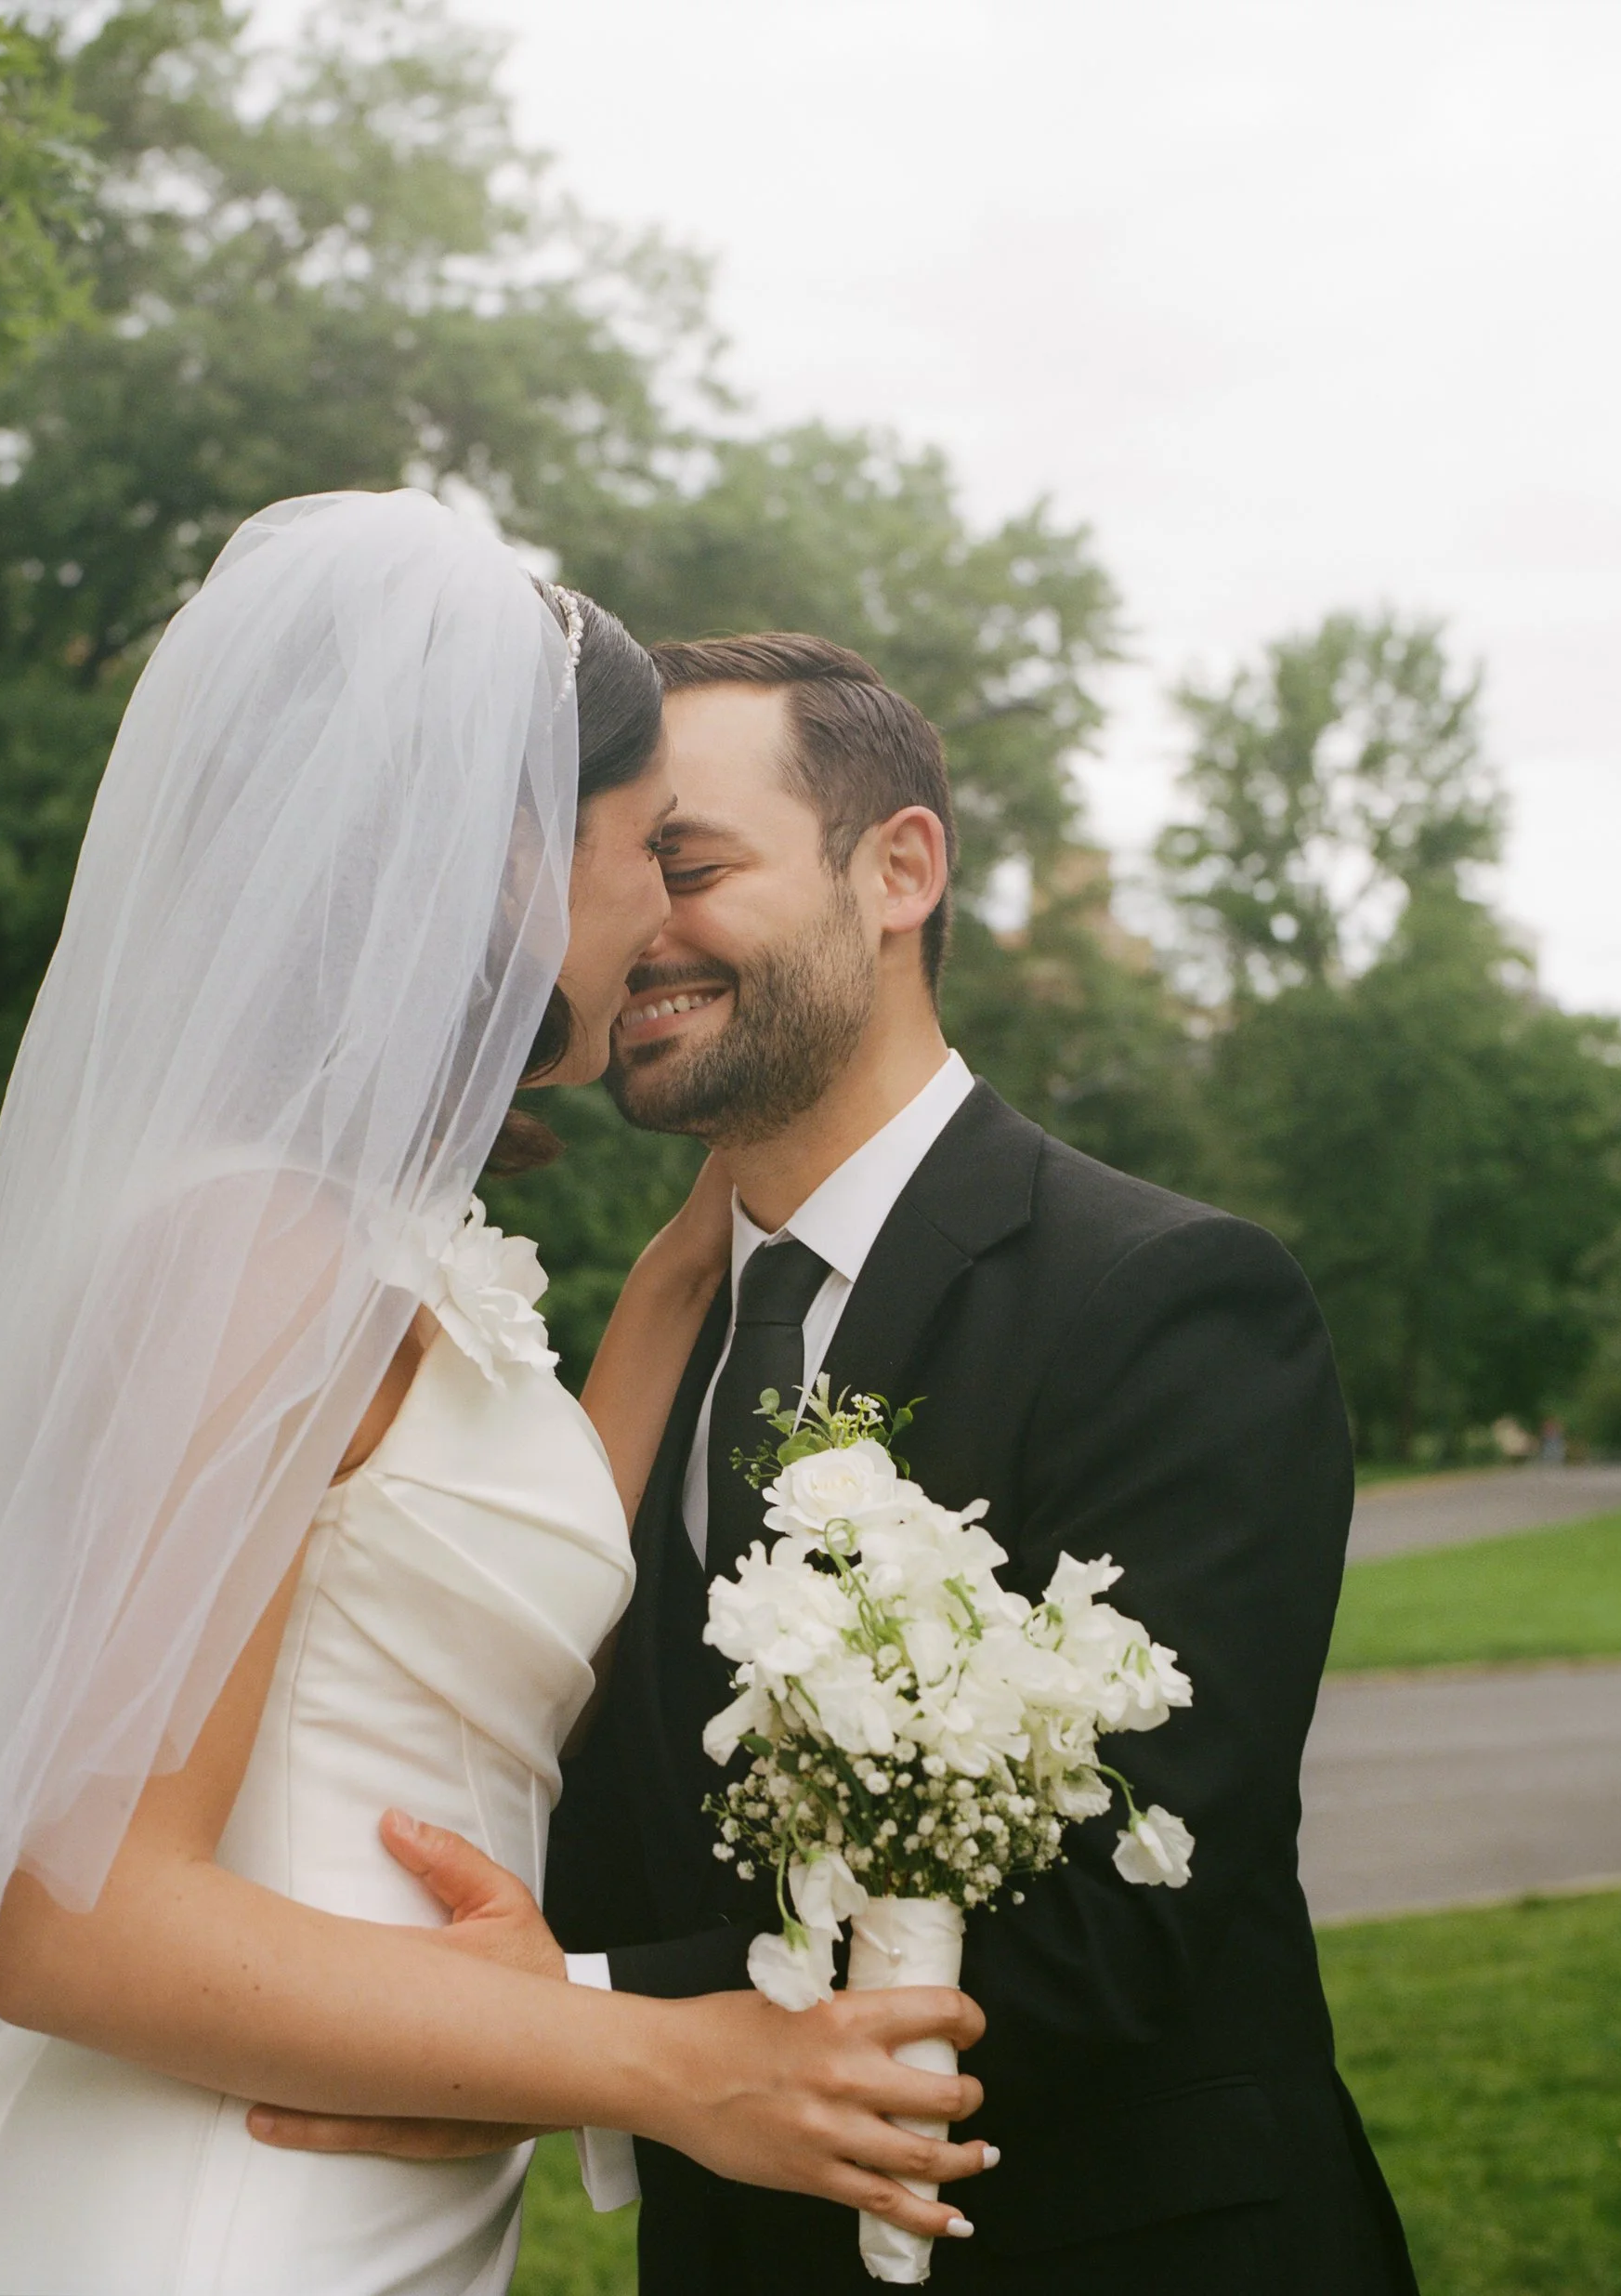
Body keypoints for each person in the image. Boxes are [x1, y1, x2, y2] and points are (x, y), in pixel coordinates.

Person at [0, 505, 989, 2296]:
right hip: (215, 2210)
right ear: (505, 859)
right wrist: (684, 2063)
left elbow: (468, 1581)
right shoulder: (255, 1252)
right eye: (648, 849)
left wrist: (707, 1237)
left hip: (358, 2200)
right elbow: (78, 1921)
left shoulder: (364, 1242)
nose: (657, 913)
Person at [255, 633, 1418, 2293]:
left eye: (698, 862)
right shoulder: (636, 1348)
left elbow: (1108, 1926)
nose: (636, 925)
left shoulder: (1166, 1301)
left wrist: (558, 2021)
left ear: (901, 868)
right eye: (619, 862)